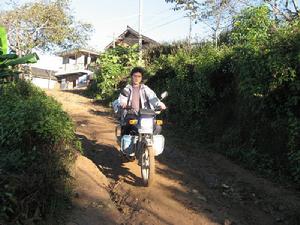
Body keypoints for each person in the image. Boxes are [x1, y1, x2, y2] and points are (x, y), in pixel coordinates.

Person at [113, 67, 166, 135]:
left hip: (145, 116)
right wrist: (123, 103)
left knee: (158, 127)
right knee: (127, 127)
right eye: (135, 76)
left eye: (139, 76)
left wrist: (159, 104)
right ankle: (126, 144)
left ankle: (151, 142)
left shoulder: (146, 89)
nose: (137, 78)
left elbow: (153, 98)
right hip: (131, 114)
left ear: (141, 78)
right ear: (131, 77)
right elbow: (122, 99)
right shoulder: (127, 89)